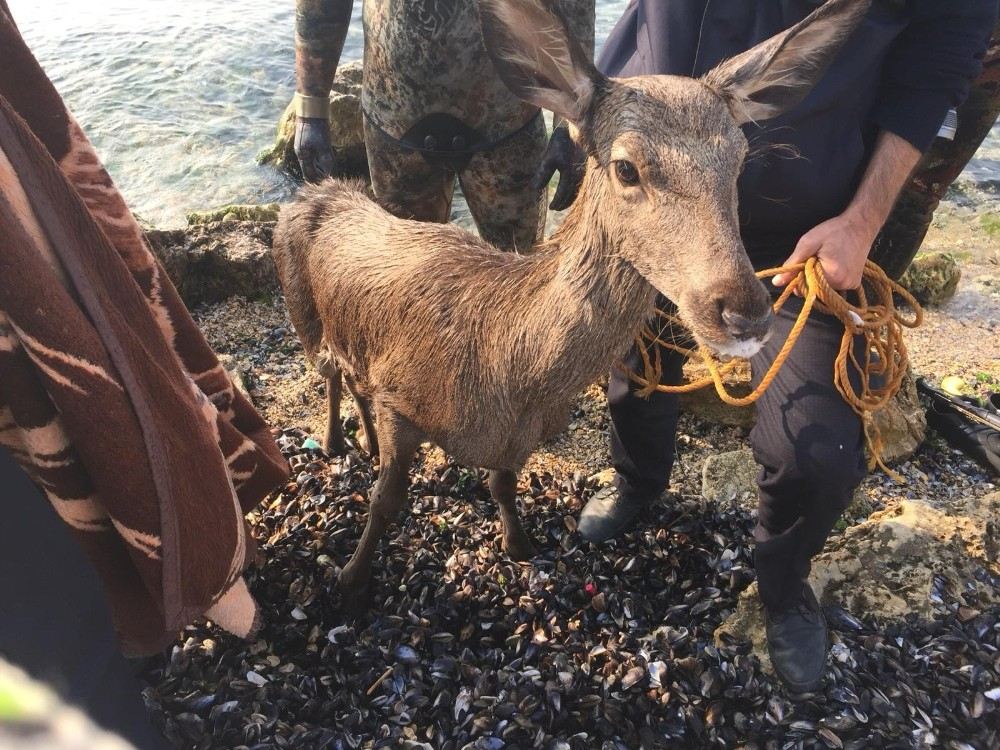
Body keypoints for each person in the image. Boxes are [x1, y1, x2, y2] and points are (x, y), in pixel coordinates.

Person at [539, 0, 998, 693]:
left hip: (800, 238)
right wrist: (578, 119)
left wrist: (862, 224)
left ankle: (783, 582)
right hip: (647, 190)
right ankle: (639, 481)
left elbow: (934, 74)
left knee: (819, 452)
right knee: (635, 363)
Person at [291, 0, 594, 250]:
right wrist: (310, 108)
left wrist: (571, 126)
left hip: (507, 124)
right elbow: (323, 6)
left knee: (518, 273)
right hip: (396, 125)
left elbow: (573, 8)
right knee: (407, 277)